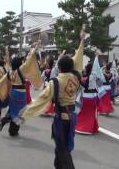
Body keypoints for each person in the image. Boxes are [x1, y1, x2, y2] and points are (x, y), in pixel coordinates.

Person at [18, 28, 85, 169]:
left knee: (62, 147)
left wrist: (26, 112)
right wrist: (82, 41)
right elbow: (78, 59)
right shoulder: (76, 78)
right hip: (73, 116)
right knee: (65, 144)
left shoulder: (55, 82)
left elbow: (41, 99)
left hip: (61, 118)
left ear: (59, 67)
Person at [0, 45, 42, 137]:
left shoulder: (10, 71)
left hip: (13, 93)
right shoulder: (21, 70)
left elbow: (2, 81)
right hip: (21, 95)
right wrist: (35, 48)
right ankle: (13, 131)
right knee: (20, 113)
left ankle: (5, 121)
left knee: (13, 110)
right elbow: (29, 60)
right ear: (19, 63)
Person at [75, 53, 101, 134]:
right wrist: (96, 57)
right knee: (92, 114)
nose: (84, 68)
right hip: (94, 97)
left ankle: (83, 127)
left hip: (86, 97)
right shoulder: (94, 76)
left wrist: (79, 80)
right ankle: (91, 128)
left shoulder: (86, 77)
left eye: (85, 67)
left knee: (83, 113)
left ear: (87, 68)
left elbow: (85, 86)